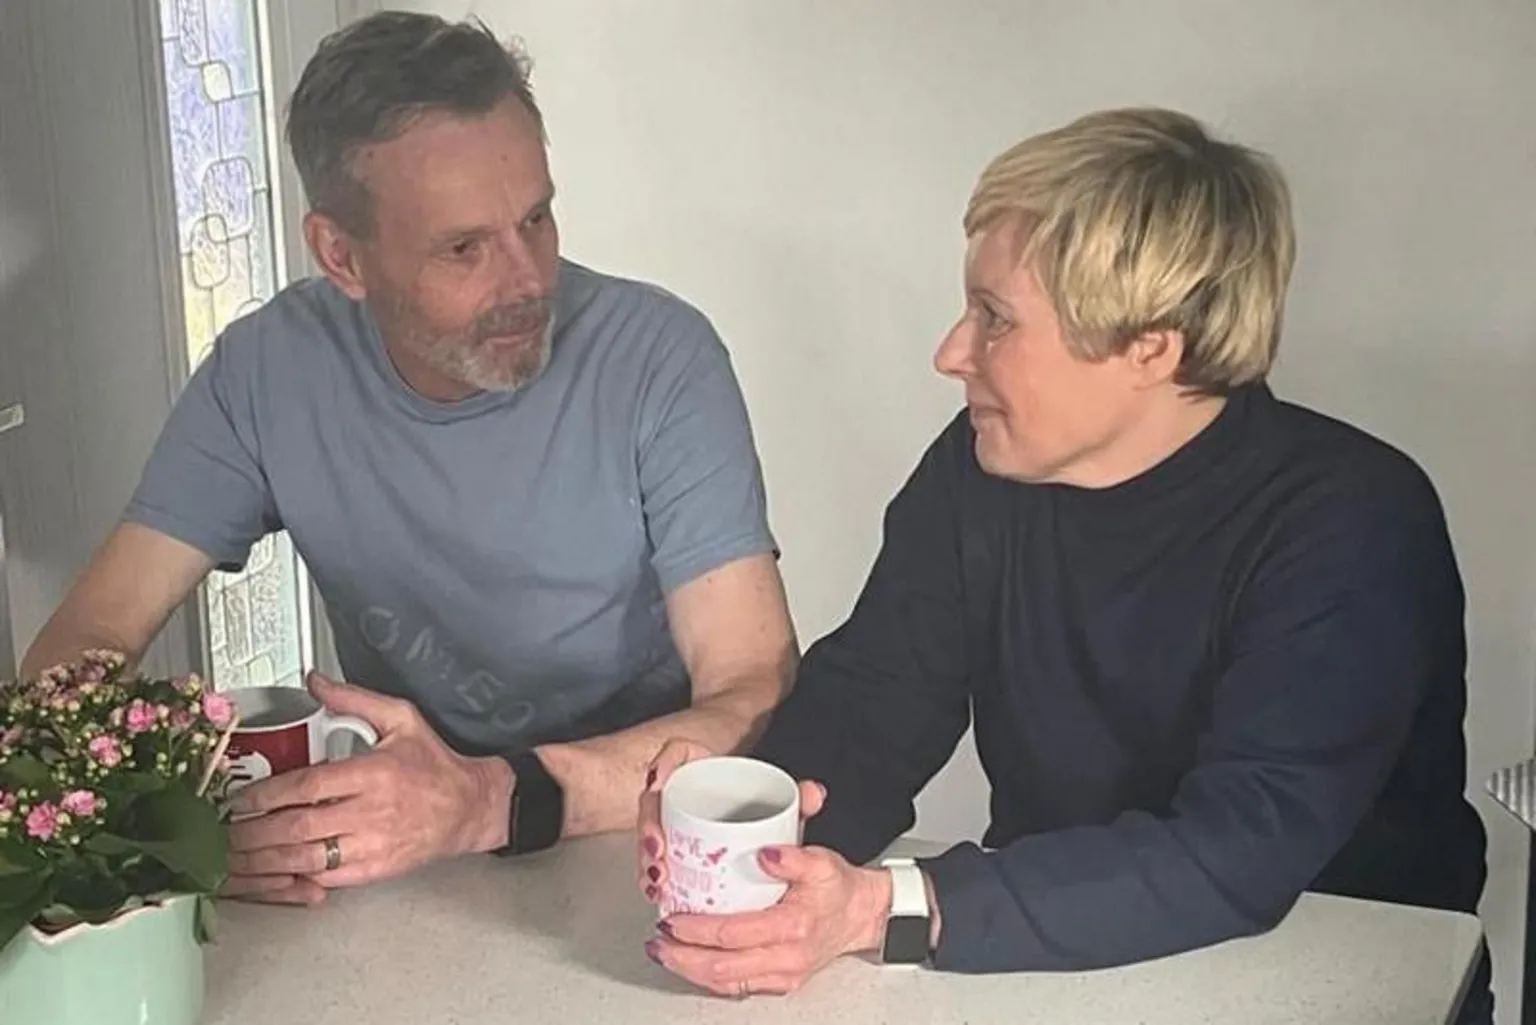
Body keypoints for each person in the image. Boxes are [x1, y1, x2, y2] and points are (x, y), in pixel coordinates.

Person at [635, 107, 1491, 1021]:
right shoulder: (980, 470)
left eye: (994, 319)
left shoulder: (1351, 519)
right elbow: (876, 704)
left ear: (1151, 347)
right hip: (1061, 962)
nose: (951, 352)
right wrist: (760, 835)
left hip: (1347, 979)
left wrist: (889, 907)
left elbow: (1239, 850)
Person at [20, 12, 797, 906]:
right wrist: (179, 835)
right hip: (408, 866)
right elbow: (80, 651)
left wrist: (490, 799)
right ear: (341, 256)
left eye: (537, 217)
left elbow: (753, 691)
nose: (529, 280)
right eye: (465, 248)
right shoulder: (265, 371)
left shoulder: (661, 357)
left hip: (636, 851)